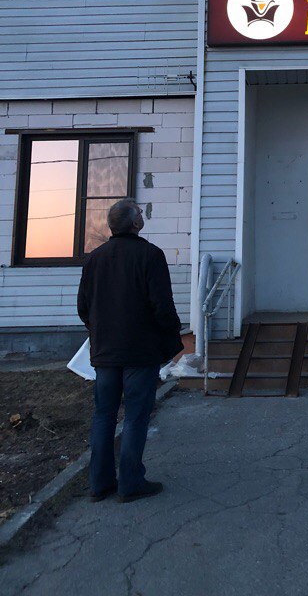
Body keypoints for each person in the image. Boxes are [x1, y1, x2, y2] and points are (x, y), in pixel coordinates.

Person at [77, 198, 183, 503]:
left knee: (104, 415)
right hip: (140, 351)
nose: (142, 214)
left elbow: (83, 307)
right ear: (136, 223)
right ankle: (131, 483)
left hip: (105, 352)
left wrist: (100, 332)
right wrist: (171, 335)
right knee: (136, 415)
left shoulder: (94, 258)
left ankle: (100, 484)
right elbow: (162, 305)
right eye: (139, 211)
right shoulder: (151, 255)